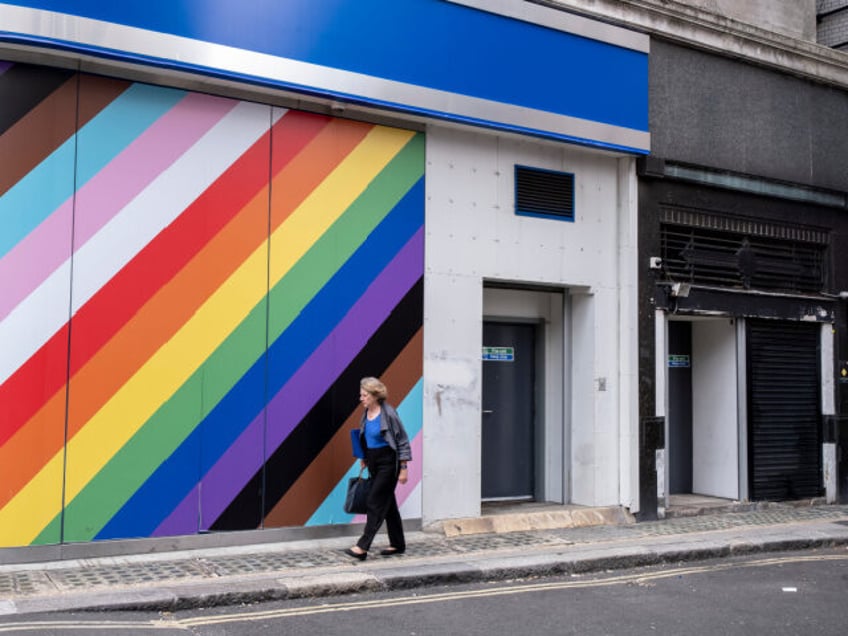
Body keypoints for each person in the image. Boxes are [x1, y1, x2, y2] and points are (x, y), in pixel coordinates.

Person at [344, 377, 412, 560]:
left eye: (364, 395)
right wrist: (365, 457)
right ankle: (398, 544)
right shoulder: (366, 413)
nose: (361, 398)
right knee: (388, 504)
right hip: (373, 461)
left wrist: (404, 467)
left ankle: (363, 546)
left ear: (375, 395)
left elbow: (402, 440)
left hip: (388, 463)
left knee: (375, 501)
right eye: (361, 395)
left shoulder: (388, 413)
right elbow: (367, 438)